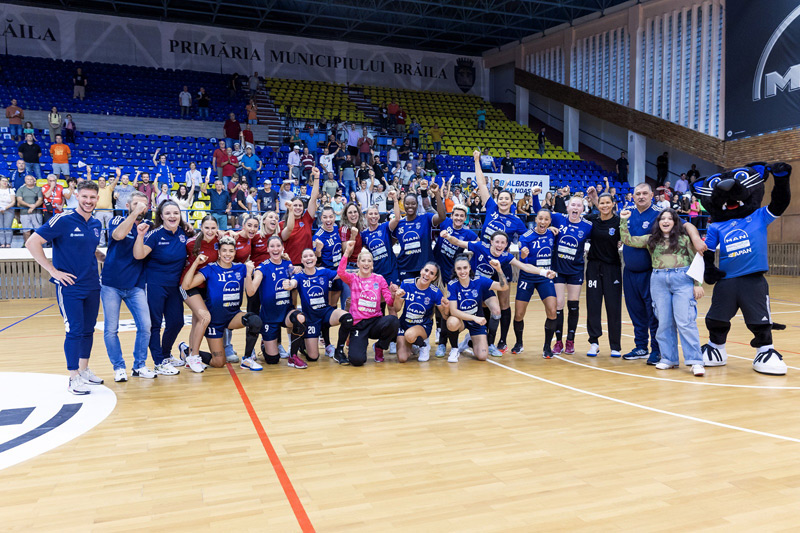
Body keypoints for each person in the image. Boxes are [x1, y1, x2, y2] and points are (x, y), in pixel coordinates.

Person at [26, 180, 104, 394]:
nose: (88, 201)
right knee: (74, 330)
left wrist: (103, 257)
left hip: (92, 284)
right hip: (70, 286)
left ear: (98, 199)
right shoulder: (62, 219)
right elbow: (32, 242)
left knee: (88, 330)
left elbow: (89, 248)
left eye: (92, 197)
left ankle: (84, 369)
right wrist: (53, 271)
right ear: (77, 196)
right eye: (85, 196)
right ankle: (73, 377)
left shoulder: (96, 224)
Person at [620, 208, 705, 376]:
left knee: (685, 321)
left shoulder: (684, 239)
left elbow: (696, 259)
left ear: (675, 222)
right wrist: (623, 221)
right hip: (658, 281)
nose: (666, 221)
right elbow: (627, 240)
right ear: (658, 223)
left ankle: (695, 361)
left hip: (682, 280)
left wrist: (697, 284)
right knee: (664, 322)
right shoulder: (651, 239)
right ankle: (668, 358)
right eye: (662, 219)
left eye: (669, 218)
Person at [441, 229, 554, 357]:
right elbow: (458, 242)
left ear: (506, 245)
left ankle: (490, 343)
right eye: (497, 242)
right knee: (449, 311)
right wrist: (448, 236)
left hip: (483, 286)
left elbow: (524, 266)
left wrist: (544, 272)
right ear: (491, 242)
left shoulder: (505, 256)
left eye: (503, 243)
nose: (499, 245)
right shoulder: (480, 246)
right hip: (466, 285)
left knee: (496, 311)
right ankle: (444, 343)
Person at [472, 150, 534, 352]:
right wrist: (477, 161)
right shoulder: (490, 207)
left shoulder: (516, 221)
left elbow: (527, 237)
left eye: (507, 198)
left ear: (511, 201)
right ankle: (485, 338)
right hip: (482, 263)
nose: (503, 201)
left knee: (504, 303)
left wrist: (528, 245)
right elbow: (482, 184)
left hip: (503, 266)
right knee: (484, 303)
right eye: (501, 198)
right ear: (497, 199)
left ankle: (502, 340)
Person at [182, 236, 263, 371]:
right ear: (218, 252)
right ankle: (186, 351)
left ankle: (247, 359)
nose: (227, 254)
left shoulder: (240, 268)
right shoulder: (210, 268)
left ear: (235, 252)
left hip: (232, 316)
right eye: (224, 250)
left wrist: (249, 274)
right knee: (219, 362)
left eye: (231, 251)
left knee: (255, 320)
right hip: (214, 322)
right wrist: (195, 263)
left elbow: (250, 292)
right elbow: (186, 285)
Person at [133, 200, 193, 376]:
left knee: (176, 322)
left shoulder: (184, 233)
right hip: (154, 285)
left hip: (175, 287)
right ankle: (158, 362)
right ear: (161, 216)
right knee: (155, 325)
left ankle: (166, 355)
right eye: (168, 213)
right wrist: (140, 236)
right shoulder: (155, 235)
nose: (172, 216)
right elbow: (139, 255)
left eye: (175, 213)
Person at [101, 192, 155, 382]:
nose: (140, 207)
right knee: (111, 329)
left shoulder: (149, 227)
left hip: (135, 284)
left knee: (145, 326)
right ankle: (118, 367)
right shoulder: (118, 220)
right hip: (111, 284)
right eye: (136, 203)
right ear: (128, 205)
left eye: (143, 204)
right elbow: (118, 235)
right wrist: (134, 214)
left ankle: (139, 365)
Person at [248, 236, 308, 369]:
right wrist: (248, 274)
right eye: (272, 246)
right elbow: (251, 291)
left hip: (285, 312)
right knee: (273, 360)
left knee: (300, 318)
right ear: (267, 249)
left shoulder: (288, 264)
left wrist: (295, 276)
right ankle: (265, 344)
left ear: (282, 248)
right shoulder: (262, 268)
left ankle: (293, 356)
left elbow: (296, 279)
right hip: (269, 316)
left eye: (278, 246)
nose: (275, 249)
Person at [337, 241, 398, 365]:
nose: (366, 263)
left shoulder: (379, 279)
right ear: (358, 264)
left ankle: (379, 347)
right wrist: (347, 252)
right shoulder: (353, 278)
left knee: (393, 321)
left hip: (375, 322)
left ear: (372, 265)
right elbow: (341, 272)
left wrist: (393, 294)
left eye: (369, 261)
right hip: (358, 324)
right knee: (357, 360)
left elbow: (389, 302)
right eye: (363, 261)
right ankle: (355, 342)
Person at [549, 197, 593, 355]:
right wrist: (548, 227)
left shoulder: (588, 226)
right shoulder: (558, 218)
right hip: (558, 269)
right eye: (573, 205)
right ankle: (558, 342)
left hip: (575, 270)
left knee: (573, 305)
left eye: (578, 205)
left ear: (582, 209)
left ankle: (570, 341)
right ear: (567, 207)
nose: (575, 207)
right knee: (558, 304)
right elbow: (541, 215)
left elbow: (601, 238)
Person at [511, 209, 558, 356]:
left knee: (552, 311)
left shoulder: (552, 233)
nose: (543, 222)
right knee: (519, 314)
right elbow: (523, 263)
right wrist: (523, 255)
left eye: (546, 219)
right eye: (540, 219)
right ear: (535, 220)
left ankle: (547, 347)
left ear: (550, 221)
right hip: (527, 277)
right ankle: (519, 343)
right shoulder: (525, 237)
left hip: (545, 278)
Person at [445, 256, 509, 363]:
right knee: (452, 322)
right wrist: (474, 318)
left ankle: (469, 342)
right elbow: (453, 311)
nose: (462, 271)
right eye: (459, 268)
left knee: (482, 356)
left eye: (465, 268)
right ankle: (454, 349)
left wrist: (499, 269)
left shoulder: (479, 280)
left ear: (470, 268)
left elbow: (504, 287)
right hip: (461, 320)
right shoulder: (452, 285)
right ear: (455, 270)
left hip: (476, 322)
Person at [294, 248, 354, 361]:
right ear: (301, 261)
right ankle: (303, 344)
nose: (308, 258)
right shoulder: (299, 276)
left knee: (347, 318)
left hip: (325, 313)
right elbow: (293, 282)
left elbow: (341, 273)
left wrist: (346, 254)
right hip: (311, 318)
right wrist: (289, 284)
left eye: (311, 255)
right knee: (313, 357)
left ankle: (339, 351)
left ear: (316, 258)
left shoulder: (324, 272)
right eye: (305, 256)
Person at [584, 190, 623, 357]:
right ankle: (594, 343)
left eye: (608, 202)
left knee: (613, 306)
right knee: (593, 305)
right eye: (602, 203)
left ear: (613, 204)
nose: (605, 205)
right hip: (593, 266)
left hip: (612, 267)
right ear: (597, 205)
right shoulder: (592, 219)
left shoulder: (619, 221)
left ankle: (615, 346)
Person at [394, 262, 449, 363]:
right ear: (421, 270)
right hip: (404, 324)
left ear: (434, 278)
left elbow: (445, 317)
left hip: (422, 326)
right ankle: (414, 344)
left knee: (409, 335)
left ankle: (423, 345)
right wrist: (397, 298)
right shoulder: (406, 284)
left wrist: (446, 308)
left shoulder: (435, 292)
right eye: (426, 270)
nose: (427, 274)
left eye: (431, 273)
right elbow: (397, 309)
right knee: (402, 358)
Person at [395, 181, 446, 281]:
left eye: (413, 203)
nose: (410, 206)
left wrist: (436, 193)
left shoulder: (425, 218)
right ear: (404, 205)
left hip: (425, 268)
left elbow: (442, 217)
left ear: (417, 205)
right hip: (406, 268)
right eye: (407, 204)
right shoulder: (398, 224)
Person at [281, 167, 321, 265]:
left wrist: (316, 178)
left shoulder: (307, 219)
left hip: (307, 264)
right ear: (290, 207)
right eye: (295, 205)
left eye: (300, 206)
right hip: (290, 265)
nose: (298, 208)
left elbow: (313, 198)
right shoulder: (282, 224)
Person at [16, 174, 43, 243]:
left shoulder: (38, 189)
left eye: (31, 179)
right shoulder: (21, 189)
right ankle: (27, 245)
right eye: (28, 179)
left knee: (38, 231)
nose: (30, 180)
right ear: (25, 180)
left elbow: (40, 200)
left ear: (34, 181)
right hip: (24, 212)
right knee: (26, 231)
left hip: (36, 213)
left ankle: (37, 245)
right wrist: (30, 205)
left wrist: (33, 206)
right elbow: (19, 200)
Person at [0, 176, 16, 248]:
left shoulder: (11, 190)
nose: (5, 182)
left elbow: (13, 202)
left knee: (8, 227)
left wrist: (5, 208)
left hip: (9, 210)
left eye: (6, 181)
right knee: (0, 227)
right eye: (3, 181)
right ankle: (2, 243)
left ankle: (8, 243)